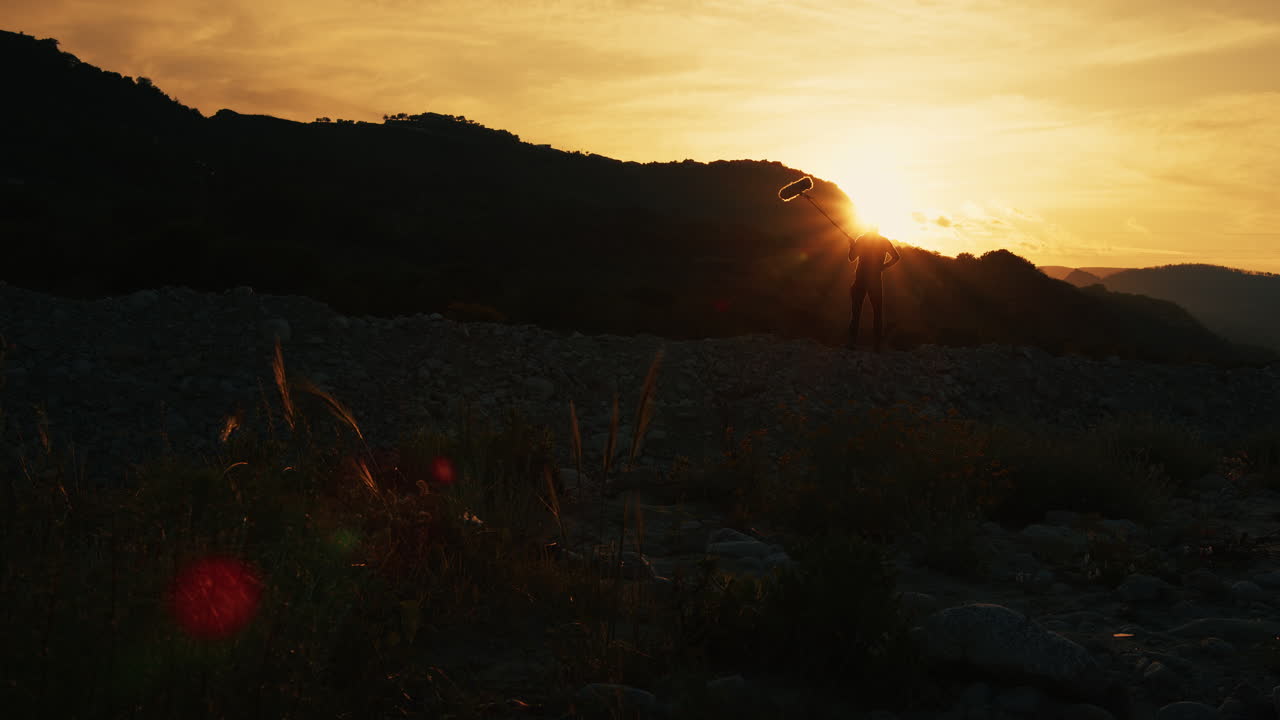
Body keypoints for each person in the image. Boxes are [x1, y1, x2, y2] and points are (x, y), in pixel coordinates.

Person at [847, 229, 901, 350]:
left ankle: (851, 343)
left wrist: (852, 245)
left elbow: (851, 258)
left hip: (860, 280)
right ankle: (877, 345)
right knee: (877, 313)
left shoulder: (862, 239)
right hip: (875, 280)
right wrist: (883, 266)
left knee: (856, 312)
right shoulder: (883, 241)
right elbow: (896, 257)